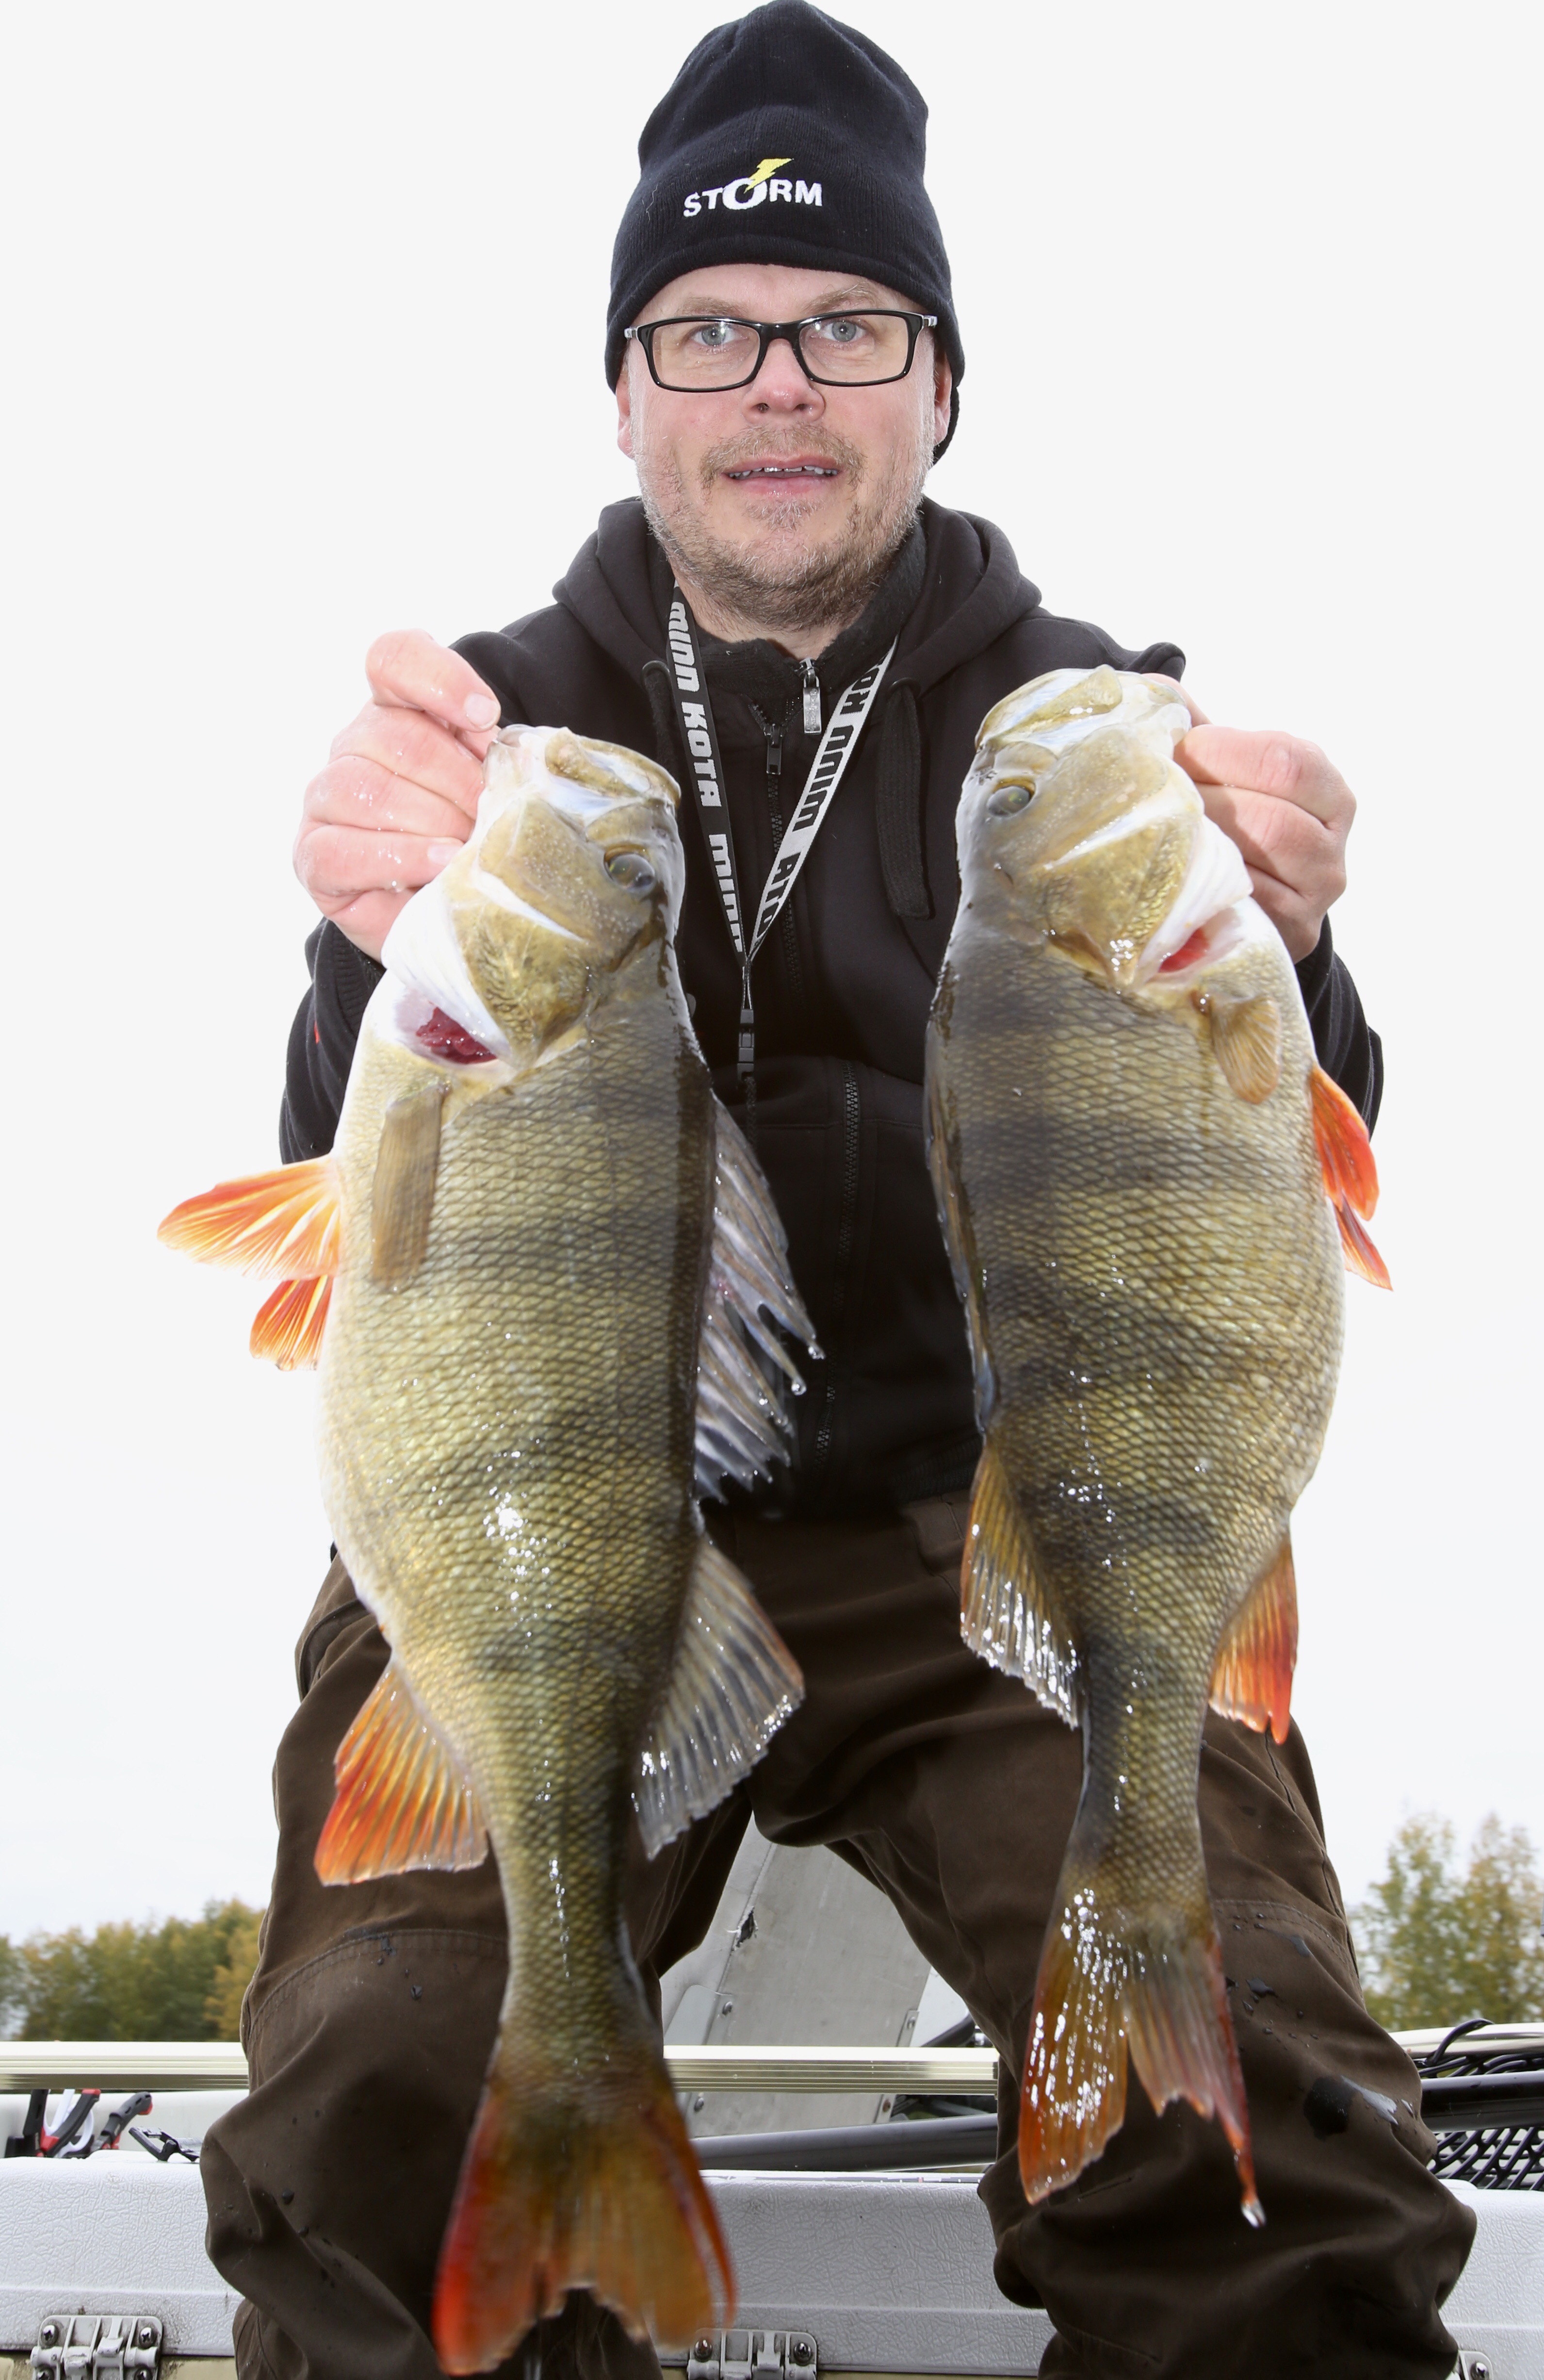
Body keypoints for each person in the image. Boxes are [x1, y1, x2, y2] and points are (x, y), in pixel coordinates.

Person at [199, 7, 1474, 2375]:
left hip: (989, 1517)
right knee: (383, 2077)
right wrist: (359, 949)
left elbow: (1268, 1172)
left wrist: (1293, 945)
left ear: (939, 381)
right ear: (623, 389)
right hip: (550, 1534)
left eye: (846, 329)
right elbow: (354, 1185)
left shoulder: (1087, 723)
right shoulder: (497, 738)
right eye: (706, 330)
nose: (775, 383)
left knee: (1257, 2101)